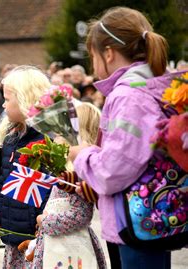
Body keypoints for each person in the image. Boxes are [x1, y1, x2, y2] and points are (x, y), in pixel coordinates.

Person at [69, 7, 172, 269]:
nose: (92, 64)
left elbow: (113, 170)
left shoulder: (128, 96)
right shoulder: (151, 86)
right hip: (153, 217)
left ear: (108, 53)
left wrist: (82, 155)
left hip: (136, 223)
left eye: (92, 55)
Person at [31, 102, 107, 269]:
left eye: (63, 128)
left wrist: (44, 220)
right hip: (56, 245)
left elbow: (80, 216)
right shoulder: (67, 167)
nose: (58, 134)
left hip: (70, 249)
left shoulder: (81, 170)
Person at [0, 65, 51, 269]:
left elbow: (49, 189)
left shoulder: (47, 141)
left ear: (25, 99)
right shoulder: (11, 139)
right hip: (13, 233)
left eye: (7, 100)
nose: (3, 106)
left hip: (34, 236)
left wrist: (40, 228)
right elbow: (6, 184)